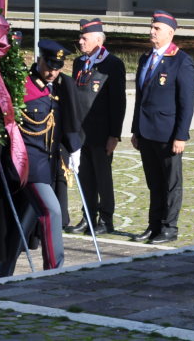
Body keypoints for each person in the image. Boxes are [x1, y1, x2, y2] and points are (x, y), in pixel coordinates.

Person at [0, 39, 82, 279]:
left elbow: (65, 122)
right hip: (27, 165)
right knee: (52, 211)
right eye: (49, 65)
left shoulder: (59, 86)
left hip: (48, 165)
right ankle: (54, 271)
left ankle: (3, 269)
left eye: (58, 67)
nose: (53, 72)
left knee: (25, 221)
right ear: (38, 60)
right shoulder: (22, 85)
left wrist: (74, 149)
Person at [131, 11, 194, 245]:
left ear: (170, 32)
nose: (152, 31)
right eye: (152, 27)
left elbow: (186, 103)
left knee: (171, 184)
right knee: (154, 183)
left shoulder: (180, 60)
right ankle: (154, 225)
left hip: (168, 134)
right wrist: (135, 129)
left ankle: (169, 228)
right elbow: (140, 98)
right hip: (147, 132)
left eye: (157, 28)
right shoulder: (145, 58)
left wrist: (181, 135)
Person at [67, 18, 126, 235]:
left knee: (102, 177)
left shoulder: (112, 64)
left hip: (102, 133)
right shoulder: (79, 63)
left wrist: (114, 134)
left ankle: (106, 219)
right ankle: (88, 216)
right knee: (85, 177)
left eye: (84, 38)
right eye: (80, 37)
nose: (80, 41)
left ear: (98, 40)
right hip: (81, 132)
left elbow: (118, 102)